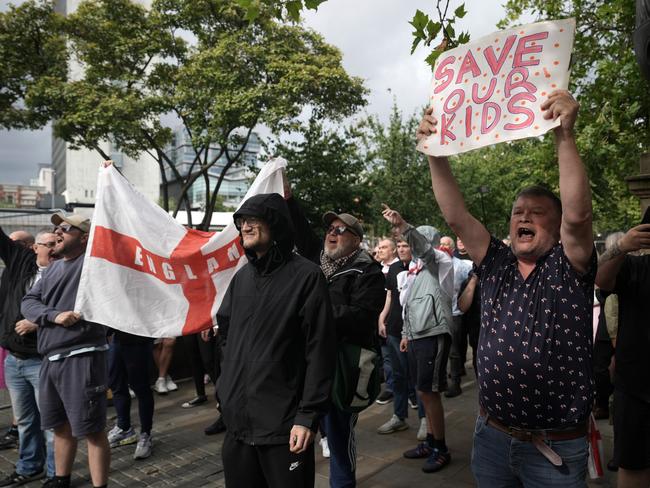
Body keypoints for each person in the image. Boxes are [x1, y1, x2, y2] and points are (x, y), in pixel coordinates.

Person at [417, 89, 596, 486]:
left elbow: (579, 215)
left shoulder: (568, 266)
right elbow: (457, 217)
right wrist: (434, 151)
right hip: (492, 438)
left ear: (556, 222)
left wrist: (564, 135)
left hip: (555, 451)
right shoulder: (496, 262)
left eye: (536, 212)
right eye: (518, 212)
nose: (524, 217)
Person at [216, 193, 335, 488]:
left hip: (284, 430)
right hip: (238, 428)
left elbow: (320, 350)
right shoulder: (241, 279)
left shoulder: (306, 277)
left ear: (277, 225)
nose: (245, 226)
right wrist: (225, 391)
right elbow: (226, 337)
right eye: (241, 220)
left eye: (253, 219)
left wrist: (307, 416)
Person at [287, 194, 385, 488]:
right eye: (330, 228)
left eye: (340, 230)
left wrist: (317, 311)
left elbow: (362, 316)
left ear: (355, 240)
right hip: (307, 365)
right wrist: (288, 196)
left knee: (339, 437)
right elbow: (301, 228)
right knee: (298, 437)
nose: (332, 233)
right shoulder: (316, 260)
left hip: (341, 368)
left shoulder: (368, 272)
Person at [22, 213, 111, 488]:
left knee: (92, 430)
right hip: (50, 359)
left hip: (82, 357)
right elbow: (28, 302)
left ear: (85, 237)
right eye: (56, 227)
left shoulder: (93, 266)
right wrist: (53, 315)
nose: (57, 232)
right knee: (59, 426)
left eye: (66, 228)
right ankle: (61, 479)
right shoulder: (52, 269)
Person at [381, 207, 454, 474]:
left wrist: (403, 225)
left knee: (429, 391)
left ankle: (440, 448)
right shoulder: (415, 269)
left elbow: (422, 249)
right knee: (423, 390)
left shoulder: (437, 261)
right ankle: (432, 442)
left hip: (433, 334)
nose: (408, 246)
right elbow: (409, 305)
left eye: (412, 240)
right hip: (418, 336)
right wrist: (406, 335)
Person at [595, 223, 650, 488]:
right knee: (633, 464)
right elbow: (601, 278)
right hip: (636, 389)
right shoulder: (636, 267)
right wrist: (622, 247)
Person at [0, 228, 56, 485]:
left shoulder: (66, 271)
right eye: (49, 244)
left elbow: (76, 312)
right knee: (24, 420)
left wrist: (38, 323)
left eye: (57, 243)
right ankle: (30, 466)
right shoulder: (21, 262)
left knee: (52, 423)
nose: (55, 248)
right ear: (35, 248)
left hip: (43, 359)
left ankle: (57, 473)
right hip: (15, 358)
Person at [377, 238, 428, 441]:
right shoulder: (395, 268)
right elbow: (390, 296)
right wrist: (382, 318)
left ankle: (425, 419)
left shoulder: (422, 267)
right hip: (394, 329)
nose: (401, 249)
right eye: (398, 246)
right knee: (397, 377)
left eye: (405, 246)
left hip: (416, 332)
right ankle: (399, 416)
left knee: (417, 378)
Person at [106, 329, 155, 460]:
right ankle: (124, 428)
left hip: (138, 339)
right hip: (117, 338)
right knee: (116, 384)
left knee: (141, 387)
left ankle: (146, 434)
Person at [443, 236, 472, 398]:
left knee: (454, 351)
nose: (443, 247)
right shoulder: (434, 264)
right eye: (441, 244)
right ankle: (441, 380)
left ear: (452, 248)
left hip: (454, 314)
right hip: (437, 314)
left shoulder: (462, 266)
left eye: (447, 244)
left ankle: (455, 382)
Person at [375, 238, 398, 405]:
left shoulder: (400, 267)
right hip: (379, 320)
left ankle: (404, 391)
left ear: (393, 250)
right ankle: (390, 387)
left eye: (383, 247)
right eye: (378, 248)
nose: (379, 250)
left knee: (397, 357)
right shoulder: (376, 269)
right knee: (386, 357)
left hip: (396, 321)